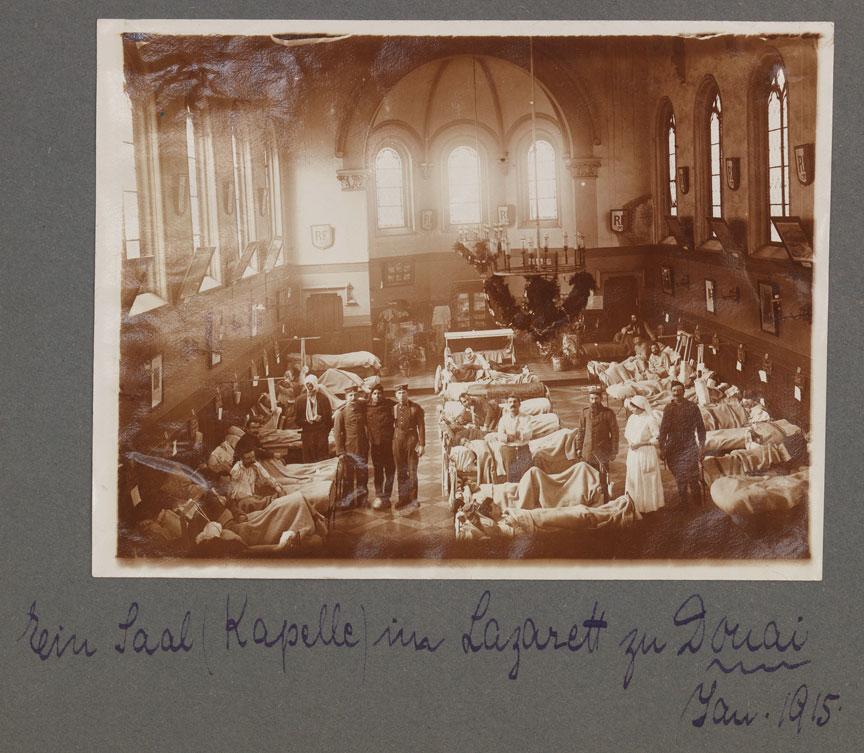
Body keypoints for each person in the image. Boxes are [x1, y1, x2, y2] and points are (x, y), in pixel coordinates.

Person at [658, 380, 707, 506]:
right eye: (674, 391)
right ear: (671, 392)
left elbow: (701, 427)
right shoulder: (668, 409)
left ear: (684, 392)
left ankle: (697, 503)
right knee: (679, 476)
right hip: (673, 446)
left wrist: (702, 445)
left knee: (692, 475)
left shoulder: (692, 407)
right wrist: (662, 448)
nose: (677, 393)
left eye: (679, 391)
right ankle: (683, 502)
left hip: (689, 444)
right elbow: (663, 429)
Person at [577, 385, 619, 501]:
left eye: (596, 399)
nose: (593, 401)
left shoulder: (608, 413)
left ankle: (605, 501)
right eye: (591, 399)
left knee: (603, 478)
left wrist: (614, 451)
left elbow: (615, 433)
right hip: (587, 452)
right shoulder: (584, 412)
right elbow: (581, 431)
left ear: (601, 399)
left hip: (602, 453)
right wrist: (578, 448)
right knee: (588, 477)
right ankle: (591, 501)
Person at [623, 395, 664, 513]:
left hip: (646, 452)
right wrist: (630, 442)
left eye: (633, 407)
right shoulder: (632, 418)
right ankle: (635, 504)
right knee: (634, 476)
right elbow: (627, 433)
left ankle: (649, 506)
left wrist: (640, 444)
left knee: (646, 477)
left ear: (640, 407)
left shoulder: (650, 419)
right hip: (633, 453)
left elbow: (656, 438)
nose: (631, 409)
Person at [332, 385, 369, 509]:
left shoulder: (362, 408)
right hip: (349, 449)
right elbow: (337, 434)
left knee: (362, 474)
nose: (353, 398)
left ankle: (362, 498)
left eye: (355, 395)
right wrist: (340, 452)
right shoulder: (340, 413)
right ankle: (348, 500)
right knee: (348, 476)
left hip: (362, 447)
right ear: (345, 397)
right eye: (350, 395)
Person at [392, 384, 425, 510]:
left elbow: (421, 427)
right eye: (399, 393)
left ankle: (413, 499)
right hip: (398, 441)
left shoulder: (416, 408)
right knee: (401, 471)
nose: (401, 395)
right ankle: (402, 498)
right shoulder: (394, 408)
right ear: (396, 395)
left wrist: (421, 444)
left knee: (412, 471)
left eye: (404, 392)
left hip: (411, 440)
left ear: (407, 394)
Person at [228, 447, 284, 515]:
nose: (252, 460)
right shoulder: (236, 469)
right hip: (242, 500)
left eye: (253, 457)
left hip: (253, 495)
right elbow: (233, 490)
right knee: (250, 502)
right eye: (248, 458)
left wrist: (276, 486)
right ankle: (269, 502)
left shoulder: (255, 464)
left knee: (276, 489)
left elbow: (267, 477)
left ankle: (269, 501)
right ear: (242, 459)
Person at [367, 384, 396, 511]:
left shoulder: (389, 404)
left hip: (388, 444)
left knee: (390, 470)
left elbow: (402, 403)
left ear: (382, 394)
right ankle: (379, 495)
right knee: (378, 470)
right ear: (371, 395)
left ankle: (387, 495)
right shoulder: (366, 407)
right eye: (374, 393)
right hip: (375, 445)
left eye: (379, 393)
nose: (377, 396)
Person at [296, 374, 333, 462]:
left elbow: (329, 420)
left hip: (321, 434)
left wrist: (322, 421)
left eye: (311, 384)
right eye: (307, 384)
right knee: (309, 459)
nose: (309, 387)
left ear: (315, 384)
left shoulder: (323, 399)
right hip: (307, 435)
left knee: (322, 458)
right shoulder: (299, 400)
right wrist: (307, 420)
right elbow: (297, 421)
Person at [496, 395, 533, 482]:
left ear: (519, 404)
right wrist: (516, 436)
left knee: (526, 474)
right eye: (510, 402)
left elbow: (529, 434)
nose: (512, 404)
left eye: (515, 401)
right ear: (507, 405)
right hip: (508, 449)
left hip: (523, 448)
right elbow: (500, 436)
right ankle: (513, 492)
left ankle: (526, 492)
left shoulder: (526, 418)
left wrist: (513, 434)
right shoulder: (503, 419)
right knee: (511, 475)